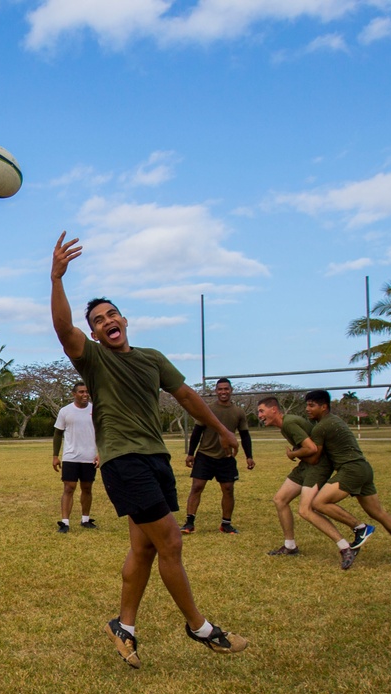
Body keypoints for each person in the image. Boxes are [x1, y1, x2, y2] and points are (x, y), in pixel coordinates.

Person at [51, 232, 247, 668]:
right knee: (172, 541)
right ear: (95, 332)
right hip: (125, 461)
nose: (106, 321)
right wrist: (57, 279)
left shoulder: (152, 358)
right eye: (98, 320)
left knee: (144, 549)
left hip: (155, 459)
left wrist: (221, 430)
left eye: (111, 314)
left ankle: (125, 627)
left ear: (124, 319)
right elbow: (64, 329)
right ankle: (200, 628)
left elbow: (187, 397)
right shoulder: (95, 360)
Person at [302, 389, 391, 568]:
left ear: (324, 407)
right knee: (378, 512)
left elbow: (314, 457)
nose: (307, 409)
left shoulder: (322, 427)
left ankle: (360, 528)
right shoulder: (335, 421)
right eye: (307, 405)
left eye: (311, 405)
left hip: (351, 470)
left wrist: (294, 453)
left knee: (319, 503)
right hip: (364, 469)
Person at [255, 396, 333, 556]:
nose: (260, 415)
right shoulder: (285, 425)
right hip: (306, 465)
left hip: (317, 466)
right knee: (280, 499)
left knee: (306, 510)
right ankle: (290, 546)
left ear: (274, 410)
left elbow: (311, 448)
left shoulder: (289, 423)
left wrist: (292, 454)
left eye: (262, 411)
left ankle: (347, 542)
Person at [180, 378, 254, 535]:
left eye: (226, 389)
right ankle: (189, 523)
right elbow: (196, 432)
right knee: (197, 487)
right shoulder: (207, 409)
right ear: (216, 391)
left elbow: (245, 435)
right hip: (205, 455)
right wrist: (191, 453)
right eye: (220, 389)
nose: (223, 392)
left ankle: (226, 524)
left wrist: (249, 456)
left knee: (228, 489)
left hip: (226, 458)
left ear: (231, 390)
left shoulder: (238, 412)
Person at [53, 382, 99, 532]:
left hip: (89, 457)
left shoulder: (96, 410)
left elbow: (103, 433)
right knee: (69, 488)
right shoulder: (65, 411)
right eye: (81, 392)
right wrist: (55, 456)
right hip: (70, 457)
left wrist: (100, 453)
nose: (85, 394)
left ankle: (85, 520)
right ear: (74, 394)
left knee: (87, 488)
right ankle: (65, 522)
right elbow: (57, 434)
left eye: (86, 392)